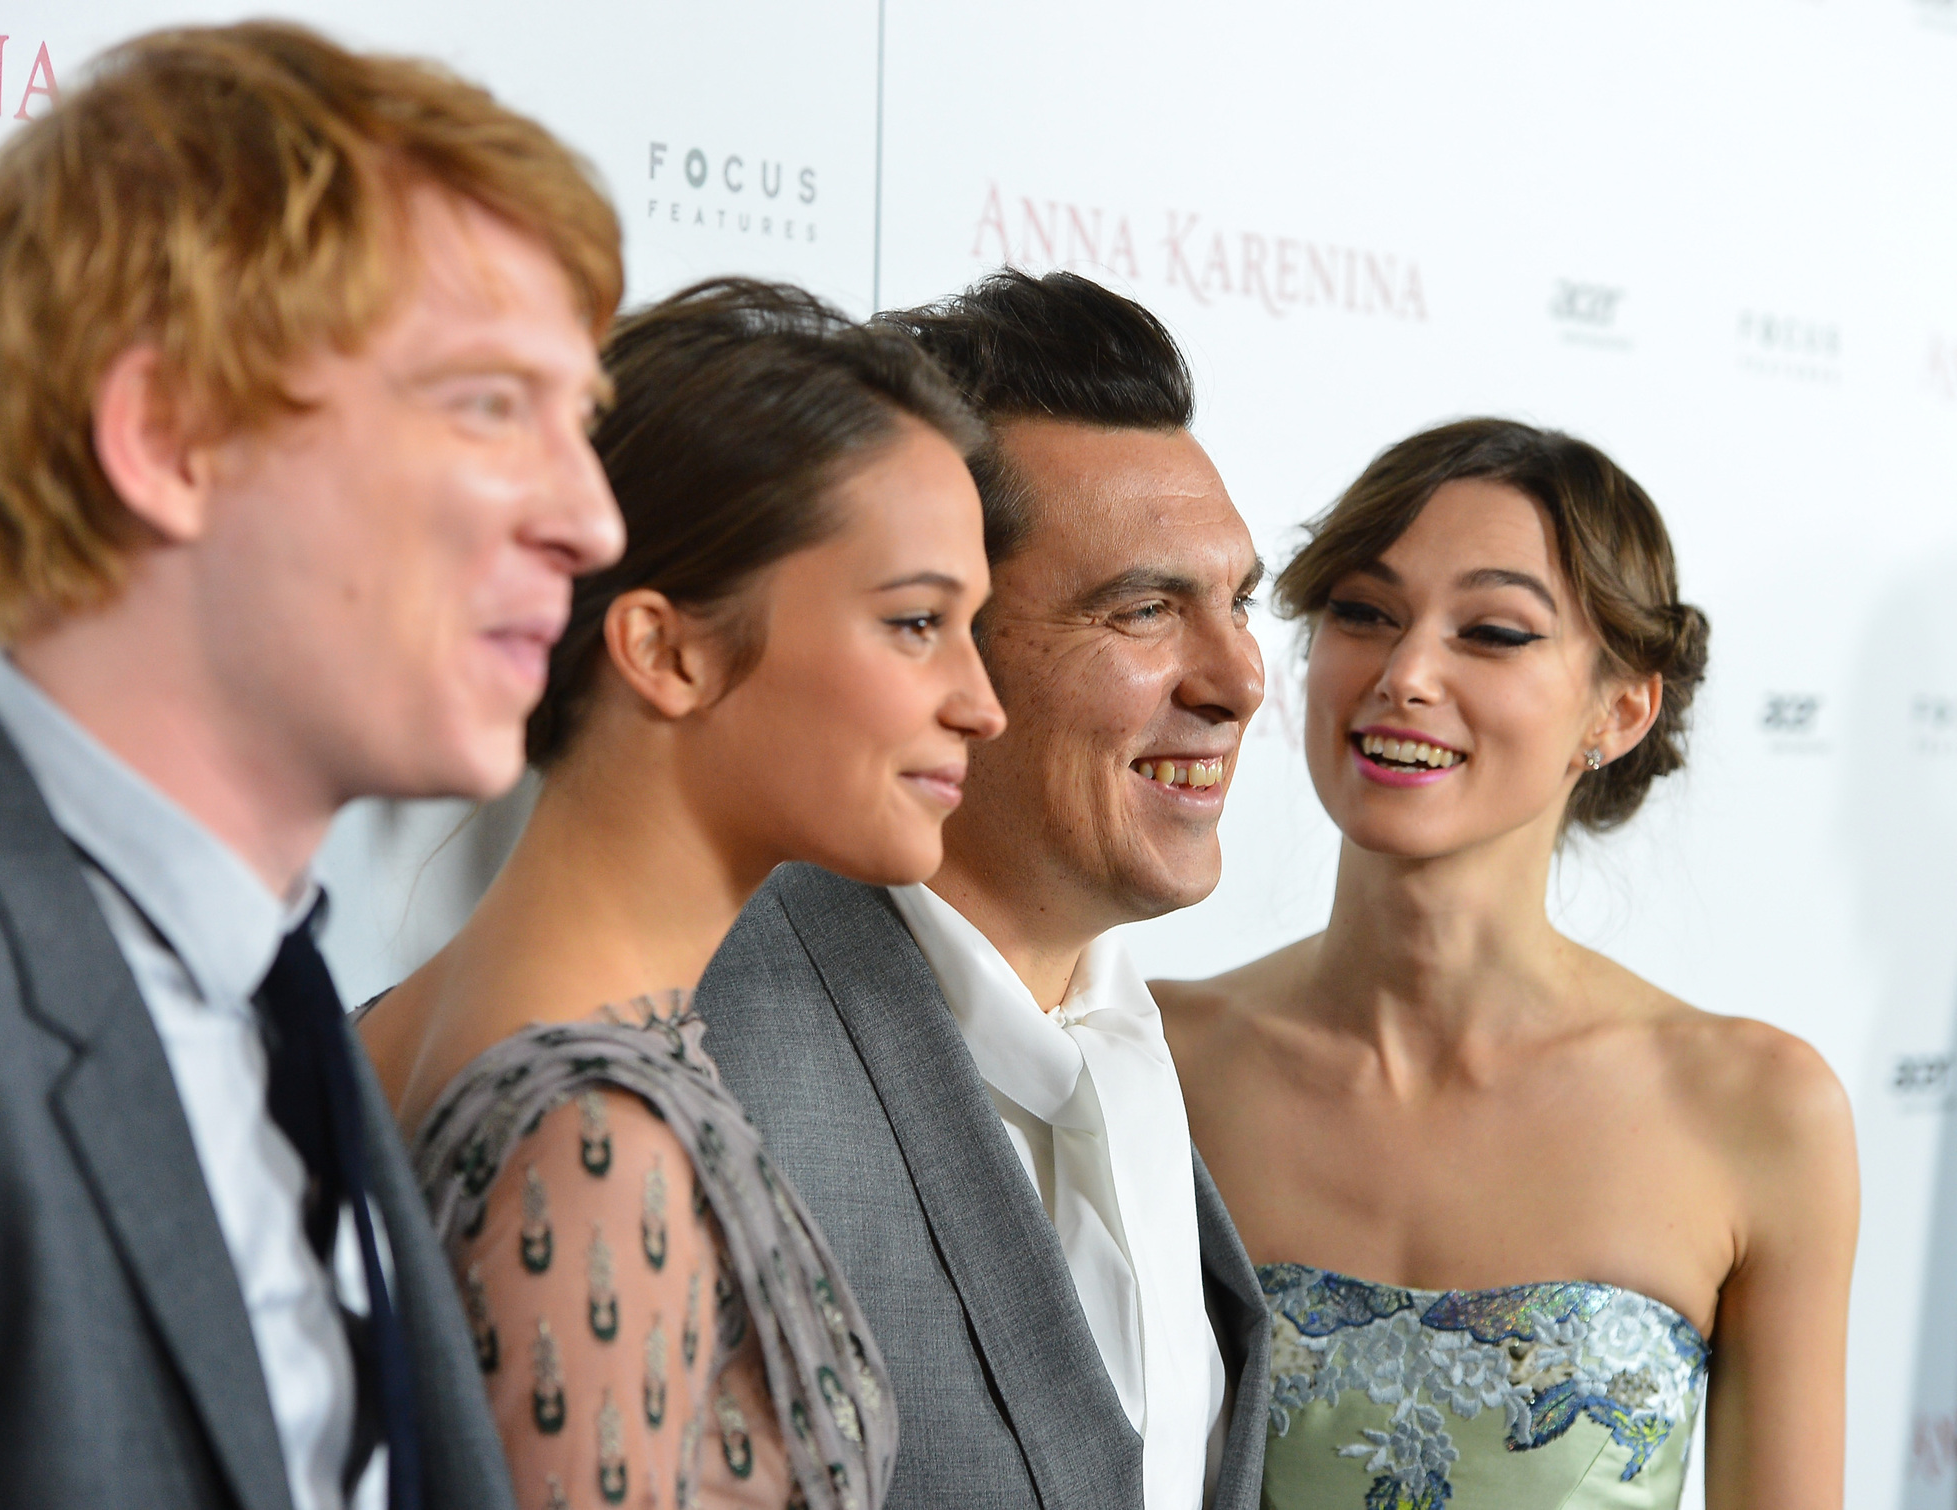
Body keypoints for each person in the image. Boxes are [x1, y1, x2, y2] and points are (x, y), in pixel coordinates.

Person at [0, 21, 628, 1510]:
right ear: (170, 435)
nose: (592, 521)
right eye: (492, 401)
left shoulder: (279, 1008)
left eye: (585, 420)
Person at [358, 277, 1006, 1510]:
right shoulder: (593, 1139)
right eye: (916, 622)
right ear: (668, 649)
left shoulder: (400, 1026)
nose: (980, 702)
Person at [1155, 419, 1857, 1510]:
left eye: (1489, 630)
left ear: (1619, 708)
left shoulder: (1755, 1107)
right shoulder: (1151, 1062)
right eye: (1361, 613)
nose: (1403, 673)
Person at [694, 269, 1275, 1510]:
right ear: (929, 634)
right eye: (1142, 609)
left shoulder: (1150, 1051)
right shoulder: (694, 1062)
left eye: (1238, 600)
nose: (1236, 678)